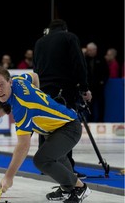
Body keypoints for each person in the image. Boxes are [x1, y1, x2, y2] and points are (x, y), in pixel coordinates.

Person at [0, 66, 92, 203]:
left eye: (1, 85)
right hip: (55, 128)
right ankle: (67, 188)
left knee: (42, 160)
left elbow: (23, 146)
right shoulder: (19, 80)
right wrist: (38, 95)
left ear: (9, 82)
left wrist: (9, 176)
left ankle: (80, 188)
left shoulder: (22, 107)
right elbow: (34, 76)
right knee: (56, 156)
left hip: (69, 126)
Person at [33, 19, 92, 179]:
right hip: (64, 90)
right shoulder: (69, 38)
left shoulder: (40, 42)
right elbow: (79, 63)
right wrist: (84, 87)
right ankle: (66, 168)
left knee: (45, 125)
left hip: (43, 90)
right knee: (65, 127)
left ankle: (45, 165)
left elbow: (35, 68)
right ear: (64, 29)